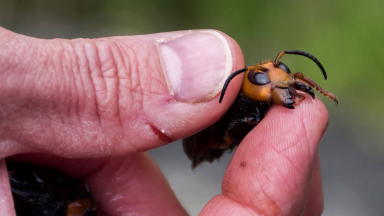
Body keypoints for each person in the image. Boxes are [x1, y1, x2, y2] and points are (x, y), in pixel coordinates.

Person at [0, 27, 327, 216]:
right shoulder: (239, 107)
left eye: (279, 74)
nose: (278, 77)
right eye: (267, 77)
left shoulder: (268, 93)